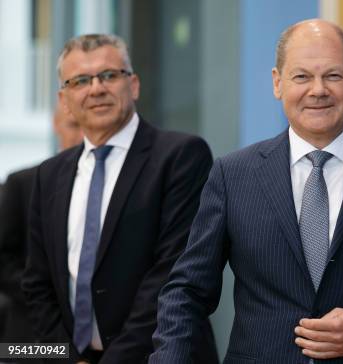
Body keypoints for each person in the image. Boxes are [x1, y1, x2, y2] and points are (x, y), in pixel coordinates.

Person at [150, 19, 343, 363]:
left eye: (333, 76)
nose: (318, 90)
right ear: (277, 83)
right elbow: (187, 291)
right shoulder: (232, 175)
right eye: (301, 76)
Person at [22, 34, 218, 364]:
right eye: (81, 81)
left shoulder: (181, 157)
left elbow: (171, 275)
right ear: (65, 99)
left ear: (135, 85)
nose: (96, 88)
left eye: (110, 75)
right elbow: (38, 284)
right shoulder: (49, 175)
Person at [0, 101, 83, 345]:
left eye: (86, 127)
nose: (81, 136)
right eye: (74, 125)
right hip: (30, 338)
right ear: (56, 125)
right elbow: (3, 260)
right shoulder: (22, 184)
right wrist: (47, 294)